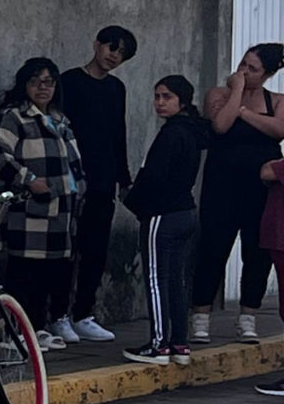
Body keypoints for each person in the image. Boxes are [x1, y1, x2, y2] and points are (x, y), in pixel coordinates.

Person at [0, 58, 86, 349]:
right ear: (24, 85)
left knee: (49, 273)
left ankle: (37, 327)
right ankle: (14, 332)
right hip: (27, 209)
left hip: (61, 212)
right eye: (36, 82)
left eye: (49, 82)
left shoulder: (60, 120)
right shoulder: (13, 117)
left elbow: (74, 162)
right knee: (23, 271)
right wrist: (28, 180)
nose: (43, 88)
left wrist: (80, 189)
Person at [192, 43, 284, 344]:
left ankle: (248, 316)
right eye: (243, 64)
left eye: (252, 69)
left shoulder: (278, 101)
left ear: (268, 74)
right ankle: (201, 315)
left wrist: (244, 111)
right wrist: (237, 92)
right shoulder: (219, 95)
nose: (244, 72)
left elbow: (279, 131)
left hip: (260, 189)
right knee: (213, 247)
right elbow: (220, 125)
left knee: (256, 253)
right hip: (221, 185)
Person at [121, 76, 209, 366]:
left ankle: (159, 344)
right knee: (177, 281)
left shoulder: (172, 134)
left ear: (181, 101)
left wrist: (132, 201)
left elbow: (154, 178)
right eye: (157, 96)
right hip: (185, 212)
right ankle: (179, 343)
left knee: (157, 280)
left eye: (167, 97)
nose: (159, 102)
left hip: (163, 214)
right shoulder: (192, 132)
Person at [56, 26, 136, 342]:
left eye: (121, 53)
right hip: (72, 181)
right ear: (97, 45)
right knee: (66, 251)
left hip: (104, 181)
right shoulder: (70, 82)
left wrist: (123, 178)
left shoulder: (116, 89)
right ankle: (58, 315)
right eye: (111, 48)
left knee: (95, 251)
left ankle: (83, 313)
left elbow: (119, 135)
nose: (113, 56)